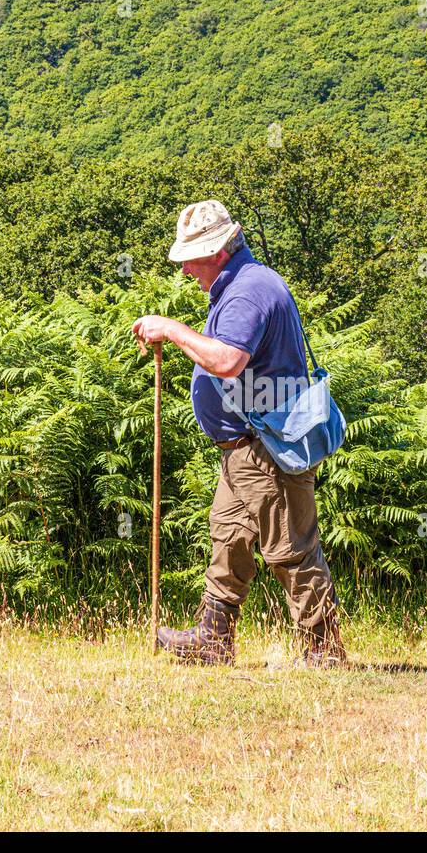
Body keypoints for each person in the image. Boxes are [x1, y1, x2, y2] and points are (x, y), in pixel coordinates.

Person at [131, 200, 346, 667]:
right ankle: (213, 639)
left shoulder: (247, 292)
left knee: (290, 549)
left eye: (192, 258)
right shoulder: (246, 281)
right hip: (245, 448)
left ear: (219, 252)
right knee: (229, 538)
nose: (186, 269)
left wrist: (171, 329)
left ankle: (324, 653)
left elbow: (228, 362)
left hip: (264, 446)